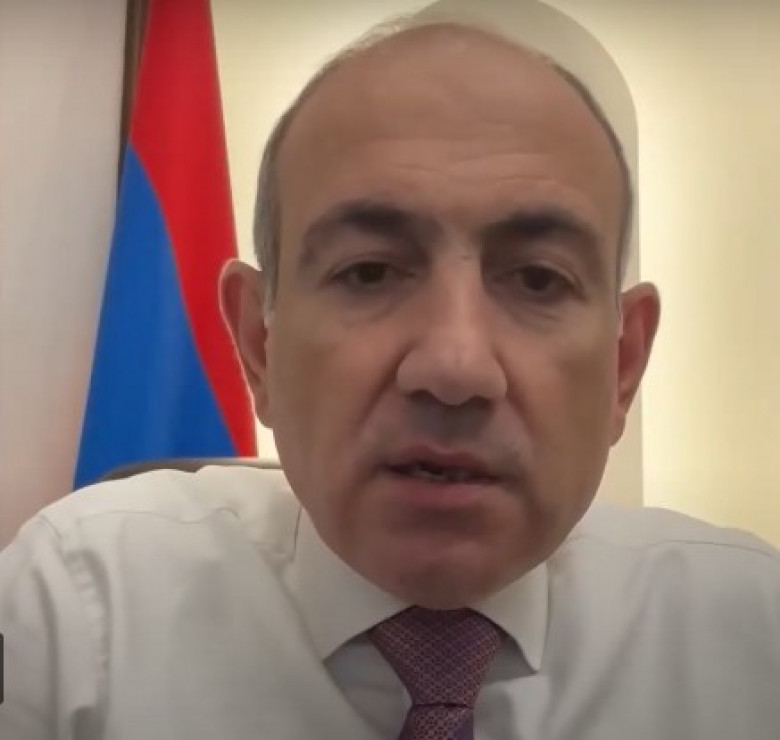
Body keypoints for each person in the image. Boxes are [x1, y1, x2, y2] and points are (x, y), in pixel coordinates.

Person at [1, 18, 779, 740]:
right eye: (369, 272)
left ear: (623, 365)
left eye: (539, 280)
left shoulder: (751, 636)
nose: (455, 368)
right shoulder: (78, 614)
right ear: (259, 345)